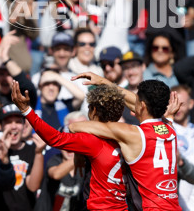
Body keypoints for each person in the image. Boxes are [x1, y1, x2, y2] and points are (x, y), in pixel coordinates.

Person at [10, 79, 129, 210]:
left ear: (93, 111)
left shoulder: (92, 141)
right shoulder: (134, 136)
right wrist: (79, 151)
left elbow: (54, 138)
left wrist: (26, 110)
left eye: (89, 108)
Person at [69, 73, 181, 211]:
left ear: (142, 105)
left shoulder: (133, 134)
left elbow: (75, 127)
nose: (132, 104)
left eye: (137, 101)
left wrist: (80, 153)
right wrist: (104, 81)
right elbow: (140, 104)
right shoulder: (170, 128)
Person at [0, 104, 46, 211]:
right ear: (0, 126)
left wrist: (39, 153)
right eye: (8, 122)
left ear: (24, 125)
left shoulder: (33, 149)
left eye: (18, 122)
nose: (14, 126)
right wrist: (2, 153)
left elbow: (33, 186)